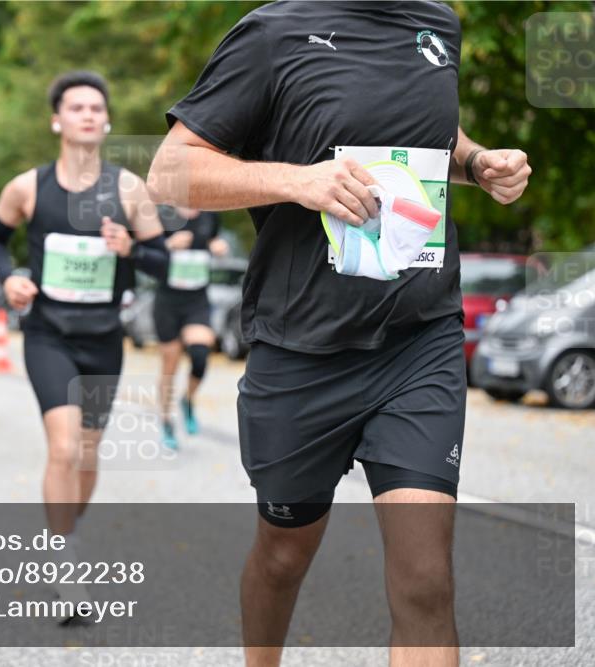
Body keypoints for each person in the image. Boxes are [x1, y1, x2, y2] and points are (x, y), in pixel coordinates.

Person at [148, 4, 532, 665]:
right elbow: (171, 171)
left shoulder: (438, 24)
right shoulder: (275, 31)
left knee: (426, 581)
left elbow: (428, 132)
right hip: (302, 346)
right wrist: (299, 180)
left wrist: (476, 163)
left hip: (419, 337)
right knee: (284, 551)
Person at [0, 71, 170, 613]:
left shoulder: (128, 190)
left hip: (102, 338)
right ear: (57, 120)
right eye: (77, 107)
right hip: (48, 333)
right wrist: (7, 279)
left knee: (87, 455)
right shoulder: (26, 187)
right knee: (63, 446)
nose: (88, 114)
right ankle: (65, 563)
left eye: (96, 107)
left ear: (106, 120)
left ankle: (65, 532)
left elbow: (161, 259)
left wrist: (130, 248)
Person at [153, 205, 227, 450]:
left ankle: (188, 400)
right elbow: (145, 253)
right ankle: (166, 422)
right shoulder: (163, 215)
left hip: (197, 301)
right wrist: (169, 244)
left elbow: (215, 240)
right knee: (170, 366)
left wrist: (218, 246)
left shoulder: (209, 215)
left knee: (200, 356)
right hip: (168, 302)